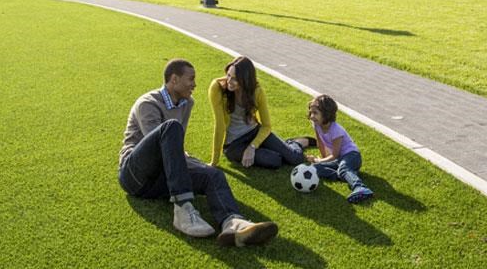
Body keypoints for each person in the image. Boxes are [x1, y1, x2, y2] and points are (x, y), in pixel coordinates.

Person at [118, 58, 278, 246]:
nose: (195, 84)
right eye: (191, 79)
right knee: (171, 127)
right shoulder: (148, 103)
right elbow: (162, 149)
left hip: (161, 179)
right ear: (174, 80)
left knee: (213, 174)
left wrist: (200, 167)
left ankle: (233, 224)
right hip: (135, 176)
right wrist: (187, 162)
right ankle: (183, 209)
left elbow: (175, 149)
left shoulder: (187, 103)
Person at [208, 56, 313, 169]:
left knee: (295, 158)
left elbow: (266, 126)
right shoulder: (217, 88)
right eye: (228, 75)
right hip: (234, 144)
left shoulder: (257, 91)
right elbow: (220, 125)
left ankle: (296, 143)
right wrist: (214, 162)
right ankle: (280, 147)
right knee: (275, 160)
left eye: (235, 79)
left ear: (245, 79)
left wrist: (252, 147)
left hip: (254, 132)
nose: (229, 81)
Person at [305, 94, 374, 203]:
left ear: (326, 114)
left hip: (352, 156)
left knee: (343, 168)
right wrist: (321, 161)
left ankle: (360, 187)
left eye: (315, 113)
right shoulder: (316, 125)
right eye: (311, 112)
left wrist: (320, 160)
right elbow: (320, 144)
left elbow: (335, 155)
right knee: (315, 168)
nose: (312, 116)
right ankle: (348, 175)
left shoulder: (336, 130)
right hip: (339, 159)